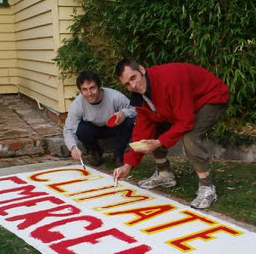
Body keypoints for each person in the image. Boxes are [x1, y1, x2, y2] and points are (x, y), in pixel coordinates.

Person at [112, 59, 229, 209]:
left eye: (133, 78)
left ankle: (207, 188)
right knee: (154, 130)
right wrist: (127, 165)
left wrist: (159, 142)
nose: (133, 86)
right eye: (127, 84)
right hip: (185, 105)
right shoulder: (139, 98)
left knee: (190, 135)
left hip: (211, 96)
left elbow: (185, 121)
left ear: (142, 70)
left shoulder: (169, 80)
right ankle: (164, 175)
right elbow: (142, 130)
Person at [63, 70, 136, 167]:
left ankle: (119, 155)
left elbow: (135, 109)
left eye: (92, 88)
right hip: (93, 129)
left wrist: (124, 113)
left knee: (128, 121)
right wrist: (72, 147)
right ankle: (95, 152)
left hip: (113, 126)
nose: (89, 93)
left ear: (99, 87)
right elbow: (68, 129)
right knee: (81, 129)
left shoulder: (115, 97)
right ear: (80, 91)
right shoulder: (77, 105)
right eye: (84, 89)